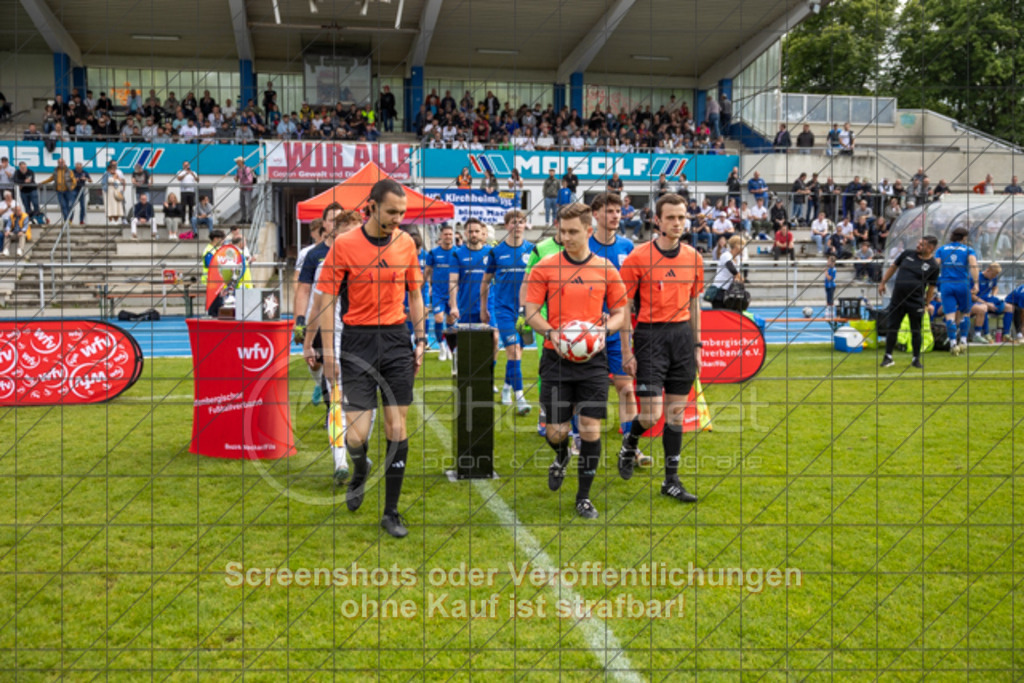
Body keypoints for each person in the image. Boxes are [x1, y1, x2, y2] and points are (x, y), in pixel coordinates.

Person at [315, 179, 426, 539]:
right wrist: (329, 354)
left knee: (397, 428)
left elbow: (415, 295)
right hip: (356, 343)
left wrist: (420, 338)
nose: (398, 218)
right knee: (357, 435)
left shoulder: (407, 243)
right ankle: (360, 470)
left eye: (402, 213)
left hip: (395, 341)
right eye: (392, 211)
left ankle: (391, 512)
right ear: (372, 206)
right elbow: (328, 301)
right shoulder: (344, 245)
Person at [524, 203, 628, 520]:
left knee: (590, 430)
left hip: (593, 361)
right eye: (562, 231)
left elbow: (622, 312)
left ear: (588, 230)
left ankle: (583, 498)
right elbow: (529, 312)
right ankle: (561, 456)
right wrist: (551, 332)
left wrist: (601, 331)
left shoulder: (607, 269)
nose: (565, 237)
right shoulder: (545, 267)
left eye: (572, 231)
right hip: (555, 360)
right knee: (556, 432)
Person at [618, 193, 703, 503]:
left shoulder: (694, 257)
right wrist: (627, 351)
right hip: (650, 338)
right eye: (671, 217)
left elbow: (695, 302)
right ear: (657, 220)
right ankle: (630, 443)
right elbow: (625, 305)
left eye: (682, 217)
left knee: (676, 414)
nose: (677, 223)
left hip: (682, 338)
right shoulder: (638, 257)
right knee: (652, 414)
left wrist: (697, 344)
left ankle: (671, 481)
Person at [302, 211, 363, 484]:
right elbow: (317, 307)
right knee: (337, 401)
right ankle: (340, 463)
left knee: (363, 405)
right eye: (346, 234)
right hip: (336, 338)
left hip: (365, 339)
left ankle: (358, 455)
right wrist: (308, 344)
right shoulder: (326, 264)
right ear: (334, 235)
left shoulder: (370, 261)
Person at [588, 193, 648, 464]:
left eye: (617, 211)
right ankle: (580, 437)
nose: (615, 215)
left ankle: (630, 446)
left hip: (619, 330)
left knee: (626, 388)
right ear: (596, 214)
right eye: (609, 211)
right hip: (587, 330)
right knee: (587, 389)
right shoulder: (585, 245)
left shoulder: (627, 247)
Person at [480, 210, 534, 415]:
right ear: (506, 226)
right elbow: (485, 282)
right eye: (513, 222)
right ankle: (520, 399)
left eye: (521, 222)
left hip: (524, 311)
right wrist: (484, 308)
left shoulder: (532, 250)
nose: (518, 225)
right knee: (512, 350)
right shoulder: (496, 252)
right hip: (503, 310)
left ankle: (505, 389)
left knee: (517, 353)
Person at [878, 235, 940, 369]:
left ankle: (916, 359)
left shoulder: (933, 266)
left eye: (922, 244)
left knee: (916, 331)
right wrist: (883, 282)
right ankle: (888, 357)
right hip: (897, 300)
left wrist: (927, 304)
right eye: (918, 243)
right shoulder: (907, 254)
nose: (918, 246)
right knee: (892, 328)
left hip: (915, 302)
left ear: (930, 248)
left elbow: (931, 288)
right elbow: (893, 267)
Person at [935, 227, 979, 355]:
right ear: (964, 238)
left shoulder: (941, 249)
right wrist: (976, 283)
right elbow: (973, 266)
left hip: (946, 285)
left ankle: (953, 344)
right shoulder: (968, 250)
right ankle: (964, 342)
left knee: (949, 315)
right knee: (965, 313)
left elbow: (935, 266)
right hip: (962, 285)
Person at [448, 218, 493, 325]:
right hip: (466, 305)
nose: (474, 234)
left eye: (476, 231)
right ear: (465, 234)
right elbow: (453, 281)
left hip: (489, 304)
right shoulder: (457, 254)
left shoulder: (491, 252)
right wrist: (454, 306)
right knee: (467, 340)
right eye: (470, 232)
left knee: (493, 337)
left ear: (482, 233)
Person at [424, 224, 458, 362]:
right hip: (438, 292)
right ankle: (442, 346)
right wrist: (424, 285)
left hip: (453, 293)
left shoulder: (458, 252)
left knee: (451, 321)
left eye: (450, 234)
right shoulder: (433, 253)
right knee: (438, 318)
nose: (448, 237)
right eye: (445, 234)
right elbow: (427, 271)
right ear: (440, 236)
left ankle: (450, 348)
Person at [972, 262, 1015, 343]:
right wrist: (986, 303)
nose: (994, 277)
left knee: (1010, 307)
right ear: (988, 270)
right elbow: (972, 296)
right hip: (977, 302)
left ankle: (1006, 334)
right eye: (993, 275)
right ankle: (986, 334)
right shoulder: (977, 277)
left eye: (996, 275)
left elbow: (995, 287)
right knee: (983, 308)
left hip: (988, 300)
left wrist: (993, 296)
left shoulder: (994, 277)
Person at [710, 235, 746, 309]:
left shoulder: (738, 258)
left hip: (729, 290)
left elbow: (736, 273)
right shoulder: (726, 255)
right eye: (742, 246)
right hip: (720, 289)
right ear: (736, 246)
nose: (743, 249)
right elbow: (731, 267)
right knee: (719, 313)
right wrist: (739, 276)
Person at [39, 157, 78, 223]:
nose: (61, 164)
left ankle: (70, 219)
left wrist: (72, 187)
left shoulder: (69, 171)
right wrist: (42, 182)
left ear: (64, 163)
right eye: (59, 162)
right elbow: (51, 178)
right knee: (63, 206)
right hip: (59, 191)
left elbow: (74, 180)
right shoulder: (56, 171)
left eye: (62, 162)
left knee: (70, 206)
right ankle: (66, 220)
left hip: (68, 191)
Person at [234, 156, 255, 223]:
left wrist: (243, 184)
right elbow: (237, 178)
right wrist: (236, 178)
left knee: (248, 204)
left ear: (241, 162)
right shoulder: (238, 170)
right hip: (242, 188)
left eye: (237, 161)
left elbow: (250, 180)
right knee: (242, 203)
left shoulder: (247, 169)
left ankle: (250, 219)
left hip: (248, 188)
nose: (236, 163)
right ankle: (243, 218)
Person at [823, 255, 837, 319]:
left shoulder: (833, 270)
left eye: (829, 261)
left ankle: (831, 314)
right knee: (828, 300)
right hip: (827, 286)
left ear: (832, 263)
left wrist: (825, 272)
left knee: (830, 300)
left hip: (831, 286)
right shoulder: (829, 269)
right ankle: (828, 313)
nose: (827, 262)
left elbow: (829, 278)